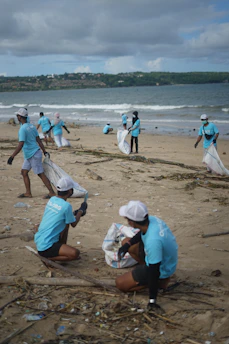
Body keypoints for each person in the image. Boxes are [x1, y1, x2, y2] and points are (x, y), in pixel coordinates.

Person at [115, 201, 178, 311]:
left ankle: (160, 282)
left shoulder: (153, 241)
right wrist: (127, 246)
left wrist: (152, 301)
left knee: (120, 284)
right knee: (126, 242)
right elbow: (141, 233)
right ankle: (144, 273)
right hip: (163, 258)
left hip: (162, 268)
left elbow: (154, 270)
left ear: (132, 223)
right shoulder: (152, 220)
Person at [34, 177, 88, 262]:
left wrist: (76, 213)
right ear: (70, 191)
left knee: (66, 224)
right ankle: (49, 258)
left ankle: (58, 250)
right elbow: (73, 224)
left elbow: (60, 215)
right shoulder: (66, 206)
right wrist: (81, 211)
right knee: (75, 254)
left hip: (40, 241)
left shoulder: (52, 199)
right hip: (47, 247)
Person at [7, 108, 55, 199]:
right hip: (30, 155)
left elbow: (21, 144)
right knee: (24, 172)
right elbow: (39, 141)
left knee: (40, 173)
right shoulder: (32, 126)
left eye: (17, 116)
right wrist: (44, 151)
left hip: (33, 154)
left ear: (20, 117)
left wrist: (12, 156)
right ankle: (28, 193)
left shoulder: (22, 129)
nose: (17, 117)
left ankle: (52, 192)